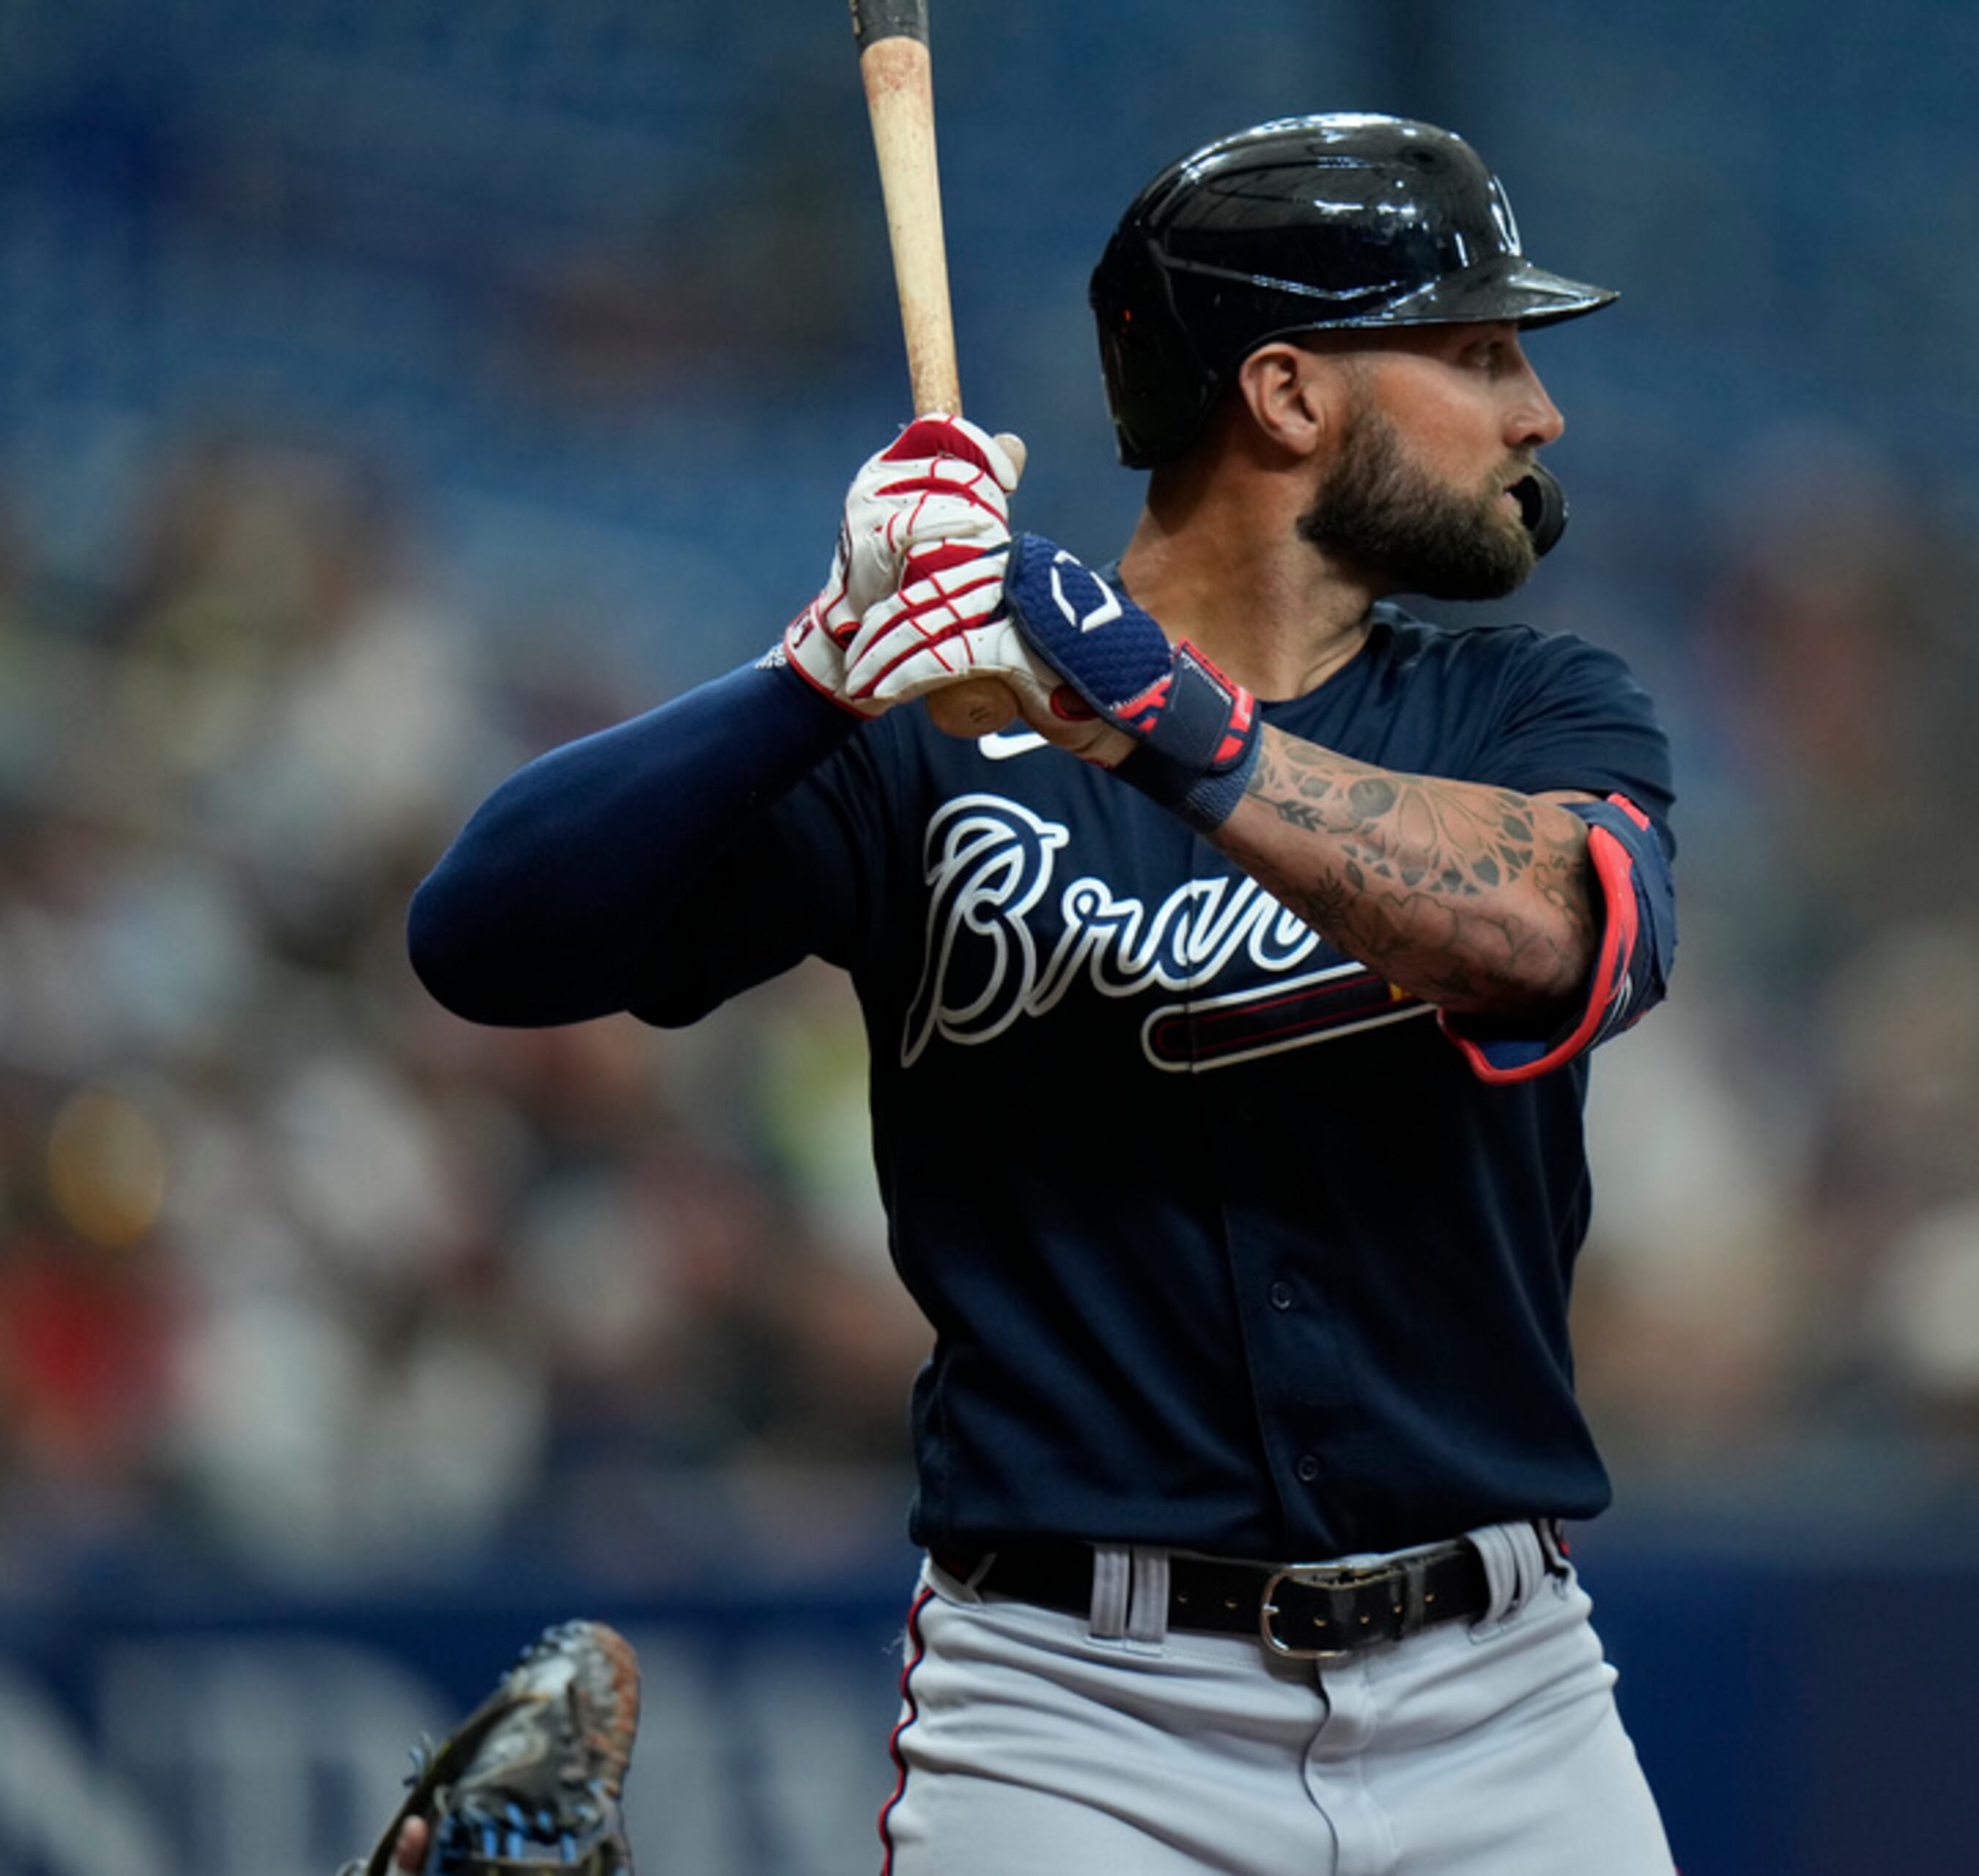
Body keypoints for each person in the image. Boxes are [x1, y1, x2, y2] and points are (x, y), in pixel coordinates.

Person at [401, 112, 1679, 1875]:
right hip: (1079, 1720)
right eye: (1479, 351)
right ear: (1291, 396)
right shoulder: (932, 745)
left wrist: (1156, 706)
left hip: (1507, 1701)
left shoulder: (1539, 708)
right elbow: (483, 938)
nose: (1536, 410)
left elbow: (1545, 936)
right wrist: (812, 675)